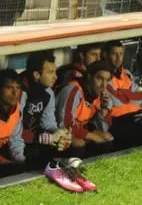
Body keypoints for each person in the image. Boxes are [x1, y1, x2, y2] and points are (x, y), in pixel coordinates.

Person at [18, 51, 92, 192]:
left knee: (70, 143)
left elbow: (48, 124)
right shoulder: (20, 92)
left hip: (33, 137)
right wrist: (44, 138)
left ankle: (68, 171)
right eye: (51, 72)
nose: (55, 76)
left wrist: (58, 133)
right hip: (15, 140)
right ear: (36, 75)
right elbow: (13, 133)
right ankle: (57, 172)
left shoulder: (48, 93)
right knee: (36, 150)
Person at [56, 60, 117, 160]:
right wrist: (91, 136)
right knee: (79, 144)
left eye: (107, 80)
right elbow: (65, 124)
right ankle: (64, 167)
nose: (104, 85)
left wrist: (104, 109)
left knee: (108, 138)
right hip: (58, 131)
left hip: (79, 129)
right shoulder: (73, 90)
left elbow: (103, 129)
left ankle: (93, 165)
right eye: (99, 78)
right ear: (89, 76)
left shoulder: (98, 94)